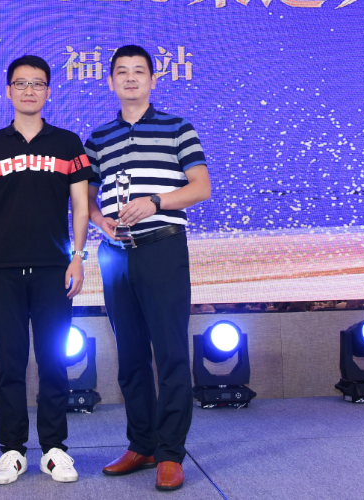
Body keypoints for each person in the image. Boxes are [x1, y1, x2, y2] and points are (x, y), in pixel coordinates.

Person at [84, 45, 211, 492]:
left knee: (171, 352)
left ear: (153, 80)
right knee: (131, 354)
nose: (131, 78)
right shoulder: (98, 138)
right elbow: (86, 197)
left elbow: (201, 187)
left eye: (139, 71)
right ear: (111, 82)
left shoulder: (178, 127)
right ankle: (142, 445)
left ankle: (171, 453)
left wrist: (155, 201)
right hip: (116, 254)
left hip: (162, 248)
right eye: (122, 72)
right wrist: (100, 222)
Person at [0, 55, 94, 485]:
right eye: (21, 83)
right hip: (2, 271)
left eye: (37, 84)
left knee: (54, 361)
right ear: (8, 91)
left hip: (54, 269)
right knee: (10, 364)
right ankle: (12, 451)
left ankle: (55, 449)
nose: (29, 91)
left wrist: (78, 256)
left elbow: (80, 206)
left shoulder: (67, 143)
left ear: (48, 91)